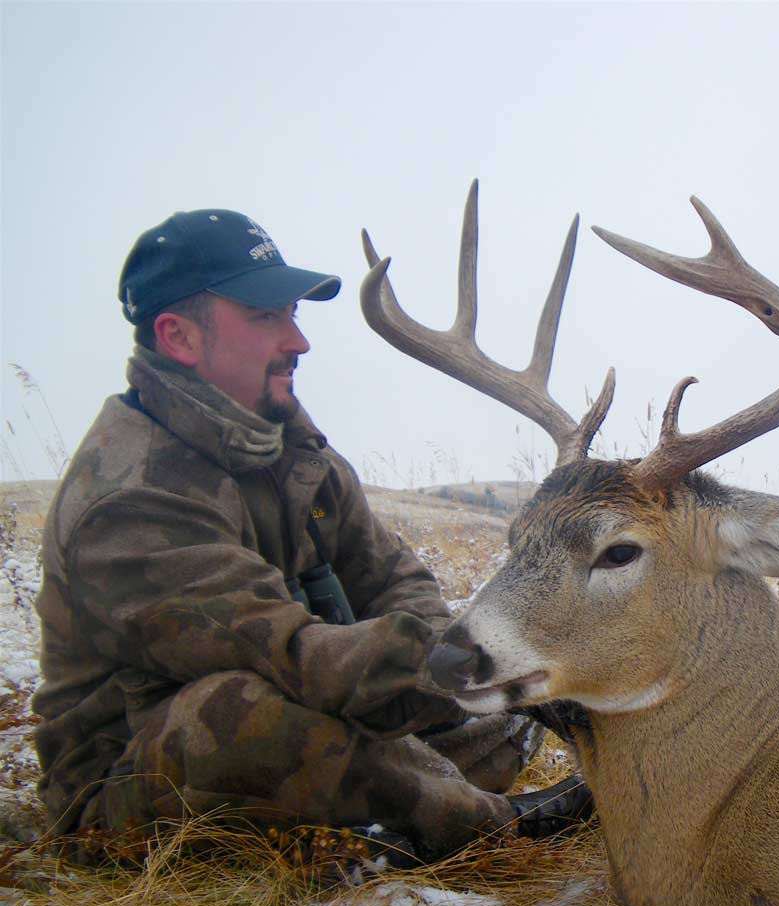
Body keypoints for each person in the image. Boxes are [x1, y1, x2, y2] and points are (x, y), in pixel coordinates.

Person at [32, 208, 588, 865]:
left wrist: (454, 655)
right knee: (236, 713)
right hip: (133, 783)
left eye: (293, 314)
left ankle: (377, 815)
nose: (299, 341)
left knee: (502, 721)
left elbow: (389, 576)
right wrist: (456, 667)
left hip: (311, 705)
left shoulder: (284, 437)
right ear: (179, 337)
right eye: (267, 317)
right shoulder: (130, 501)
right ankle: (487, 825)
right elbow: (287, 654)